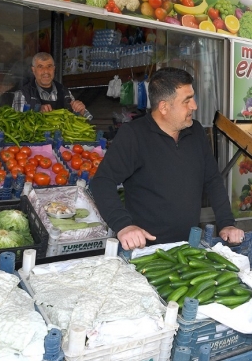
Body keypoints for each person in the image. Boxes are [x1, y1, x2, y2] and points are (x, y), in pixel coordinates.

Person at [90, 67, 244, 249]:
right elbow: (102, 182)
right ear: (163, 107)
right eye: (187, 101)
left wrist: (227, 223)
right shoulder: (134, 135)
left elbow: (212, 180)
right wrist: (123, 225)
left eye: (192, 98)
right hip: (146, 251)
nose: (194, 106)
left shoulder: (195, 132)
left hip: (189, 247)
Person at [12, 52, 93, 120]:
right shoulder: (23, 94)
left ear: (54, 68)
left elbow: (88, 118)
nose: (46, 71)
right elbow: (18, 124)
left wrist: (81, 111)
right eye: (40, 67)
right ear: (33, 70)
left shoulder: (64, 92)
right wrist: (37, 113)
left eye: (49, 66)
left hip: (62, 138)